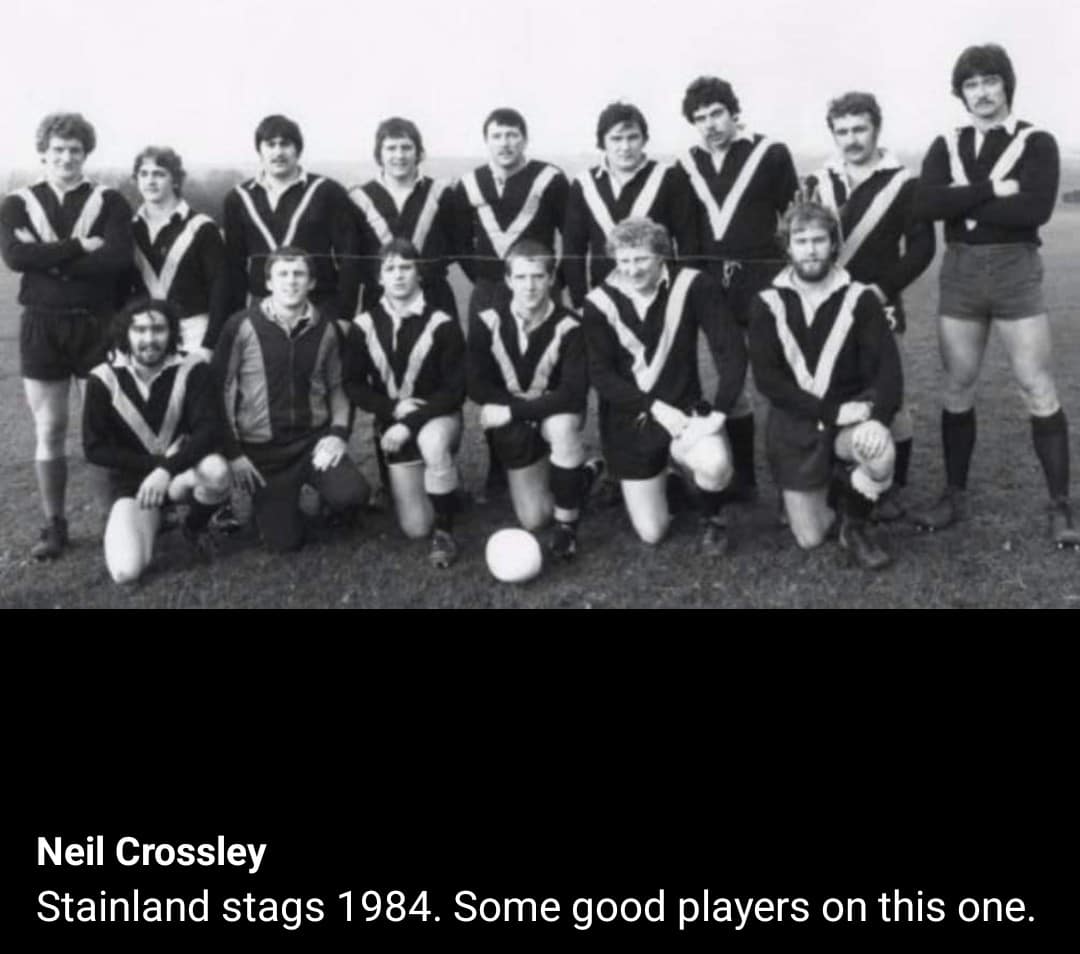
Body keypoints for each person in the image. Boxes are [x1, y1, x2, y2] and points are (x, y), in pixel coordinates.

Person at [911, 43, 1078, 548]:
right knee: (957, 385)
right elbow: (926, 203)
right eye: (971, 84)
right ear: (961, 93)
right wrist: (994, 188)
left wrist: (964, 202)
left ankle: (1060, 505)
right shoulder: (946, 141)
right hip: (960, 272)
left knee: (1036, 386)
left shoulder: (1038, 142)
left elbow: (1034, 211)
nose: (981, 93)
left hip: (1014, 270)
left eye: (990, 81)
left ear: (1007, 85)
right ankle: (955, 495)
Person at [0, 111, 134, 560]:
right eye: (58, 150)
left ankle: (114, 520)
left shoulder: (110, 201)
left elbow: (115, 261)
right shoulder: (17, 202)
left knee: (100, 425)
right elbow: (16, 257)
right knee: (50, 427)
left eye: (74, 150)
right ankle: (54, 525)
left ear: (85, 153)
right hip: (41, 323)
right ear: (43, 153)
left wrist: (48, 260)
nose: (66, 157)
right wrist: (79, 247)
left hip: (97, 323)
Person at [748, 198, 902, 569]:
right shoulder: (767, 301)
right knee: (810, 538)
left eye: (819, 240)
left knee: (879, 453)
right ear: (787, 246)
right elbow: (768, 381)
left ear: (834, 243)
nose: (811, 250)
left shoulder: (860, 297)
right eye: (801, 241)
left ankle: (856, 524)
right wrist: (829, 410)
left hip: (850, 420)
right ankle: (837, 486)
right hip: (796, 423)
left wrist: (878, 419)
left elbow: (889, 371)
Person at [806, 92, 935, 521]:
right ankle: (825, 477)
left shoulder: (904, 182)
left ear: (876, 128)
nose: (851, 139)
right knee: (824, 393)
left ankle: (893, 486)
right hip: (822, 309)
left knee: (888, 399)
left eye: (859, 129)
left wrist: (881, 291)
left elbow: (921, 249)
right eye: (842, 131)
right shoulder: (816, 181)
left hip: (878, 306)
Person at [581, 218, 746, 551]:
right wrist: (652, 407)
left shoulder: (693, 285)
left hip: (684, 411)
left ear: (661, 255)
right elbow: (601, 375)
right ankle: (661, 476)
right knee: (653, 532)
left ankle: (712, 521)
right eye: (624, 260)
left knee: (715, 465)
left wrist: (719, 413)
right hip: (631, 420)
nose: (633, 269)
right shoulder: (598, 302)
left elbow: (731, 351)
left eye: (641, 259)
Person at [678, 76, 800, 503]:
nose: (709, 124)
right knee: (732, 384)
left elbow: (796, 219)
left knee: (780, 382)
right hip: (715, 290)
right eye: (699, 119)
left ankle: (794, 479)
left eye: (716, 114)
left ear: (733, 112)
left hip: (766, 283)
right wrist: (696, 287)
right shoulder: (687, 164)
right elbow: (687, 236)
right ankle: (745, 480)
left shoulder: (771, 153)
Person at [213, 247, 369, 552]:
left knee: (352, 493)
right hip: (264, 451)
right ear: (268, 282)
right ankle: (276, 509)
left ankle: (327, 501)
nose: (290, 281)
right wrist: (234, 453)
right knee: (283, 542)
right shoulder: (240, 325)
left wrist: (338, 434)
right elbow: (220, 389)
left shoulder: (328, 328)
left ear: (311, 282)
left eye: (298, 274)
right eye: (282, 274)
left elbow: (338, 387)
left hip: (311, 443)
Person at [453, 108, 570, 500]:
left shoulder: (549, 178)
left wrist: (556, 285)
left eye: (513, 135)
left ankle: (556, 458)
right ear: (486, 140)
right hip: (491, 289)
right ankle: (498, 467)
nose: (505, 143)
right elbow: (457, 242)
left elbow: (568, 234)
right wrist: (485, 281)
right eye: (497, 135)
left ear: (525, 138)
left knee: (545, 373)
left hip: (538, 287)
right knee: (494, 378)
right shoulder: (468, 183)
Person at [83, 299, 230, 583]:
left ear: (172, 332)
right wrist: (156, 465)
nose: (149, 338)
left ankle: (193, 526)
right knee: (126, 572)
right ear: (126, 333)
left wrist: (167, 470)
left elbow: (208, 430)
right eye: (140, 330)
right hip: (134, 486)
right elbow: (94, 448)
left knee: (216, 472)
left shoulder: (192, 368)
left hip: (179, 475)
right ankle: (155, 521)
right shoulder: (102, 378)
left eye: (158, 329)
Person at [346, 239, 466, 567]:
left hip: (438, 417)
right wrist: (393, 410)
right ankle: (444, 485)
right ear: (379, 278)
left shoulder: (443, 323)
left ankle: (445, 533)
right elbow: (353, 385)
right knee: (415, 528)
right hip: (393, 423)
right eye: (390, 268)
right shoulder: (363, 326)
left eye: (406, 267)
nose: (398, 275)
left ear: (419, 273)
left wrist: (411, 421)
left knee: (431, 440)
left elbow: (455, 390)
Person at [468, 239, 591, 559]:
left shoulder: (572, 326)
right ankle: (584, 474)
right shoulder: (486, 321)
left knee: (563, 429)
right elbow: (476, 385)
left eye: (538, 276)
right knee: (534, 519)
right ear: (508, 281)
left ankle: (567, 527)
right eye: (521, 277)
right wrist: (520, 412)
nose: (530, 286)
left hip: (553, 412)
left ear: (551, 279)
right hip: (520, 418)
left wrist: (512, 410)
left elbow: (573, 393)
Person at [223, 114, 361, 323]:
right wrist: (236, 320)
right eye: (270, 144)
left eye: (285, 144)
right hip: (261, 310)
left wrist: (344, 316)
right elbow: (234, 267)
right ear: (260, 150)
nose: (278, 152)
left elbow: (350, 257)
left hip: (320, 306)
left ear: (298, 149)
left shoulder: (327, 191)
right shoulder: (238, 198)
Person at [563, 101, 694, 309]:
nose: (625, 147)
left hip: (660, 297)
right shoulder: (584, 184)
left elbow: (689, 242)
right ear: (602, 142)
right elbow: (573, 249)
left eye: (633, 137)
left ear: (644, 139)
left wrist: (684, 295)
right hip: (605, 297)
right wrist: (580, 302)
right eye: (616, 139)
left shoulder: (669, 177)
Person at [349, 117, 458, 318]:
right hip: (378, 300)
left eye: (406, 147)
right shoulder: (358, 199)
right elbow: (354, 258)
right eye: (391, 148)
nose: (399, 155)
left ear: (419, 153)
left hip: (434, 298)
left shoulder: (441, 193)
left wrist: (428, 268)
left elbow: (457, 245)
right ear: (379, 154)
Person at [130, 146, 229, 358]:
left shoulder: (202, 228)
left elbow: (220, 293)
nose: (150, 181)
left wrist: (209, 345)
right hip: (143, 333)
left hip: (193, 334)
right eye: (144, 174)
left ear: (175, 180)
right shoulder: (130, 229)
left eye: (159, 174)